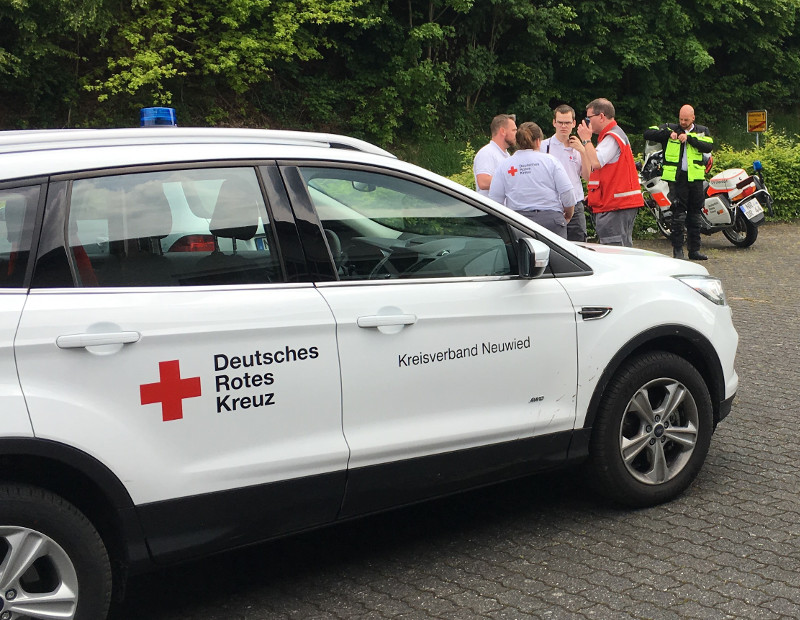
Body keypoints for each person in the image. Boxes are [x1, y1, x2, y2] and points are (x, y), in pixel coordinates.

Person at [643, 105, 714, 260]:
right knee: (678, 215)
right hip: (677, 179)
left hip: (695, 178)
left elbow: (709, 145)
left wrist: (689, 138)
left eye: (686, 120)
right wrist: (668, 134)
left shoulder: (702, 131)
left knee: (695, 216)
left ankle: (694, 250)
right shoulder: (671, 128)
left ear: (693, 118)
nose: (682, 122)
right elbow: (647, 133)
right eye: (681, 119)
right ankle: (678, 251)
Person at [576, 98, 643, 246]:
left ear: (601, 116)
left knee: (615, 251)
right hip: (616, 204)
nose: (587, 122)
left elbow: (596, 162)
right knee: (620, 248)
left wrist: (586, 140)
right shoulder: (612, 136)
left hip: (616, 206)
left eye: (589, 118)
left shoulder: (612, 137)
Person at [488, 122, 575, 237]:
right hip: (551, 222)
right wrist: (568, 214)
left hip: (518, 222)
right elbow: (567, 193)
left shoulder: (505, 165)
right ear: (538, 141)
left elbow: (495, 200)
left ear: (517, 142)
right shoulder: (550, 161)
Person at [540, 104, 590, 242]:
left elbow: (588, 177)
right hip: (552, 204)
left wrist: (583, 151)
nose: (564, 126)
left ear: (573, 123)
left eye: (567, 123)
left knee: (579, 244)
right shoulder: (544, 146)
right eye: (560, 122)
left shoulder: (578, 147)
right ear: (554, 123)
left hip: (576, 203)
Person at [473, 114, 518, 197]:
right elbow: (483, 182)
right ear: (503, 131)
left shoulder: (507, 155)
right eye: (514, 130)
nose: (517, 134)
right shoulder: (486, 153)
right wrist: (512, 179)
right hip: (488, 208)